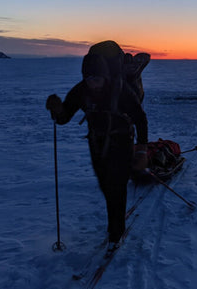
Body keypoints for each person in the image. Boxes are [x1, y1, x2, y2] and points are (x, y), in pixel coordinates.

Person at [45, 40, 150, 249]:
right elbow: (64, 117)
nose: (93, 82)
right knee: (106, 186)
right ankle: (116, 223)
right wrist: (56, 110)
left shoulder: (120, 90)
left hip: (121, 141)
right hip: (97, 144)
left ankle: (116, 234)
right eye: (88, 78)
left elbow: (140, 118)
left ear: (105, 75)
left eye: (97, 78)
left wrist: (142, 149)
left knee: (116, 188)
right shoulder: (81, 90)